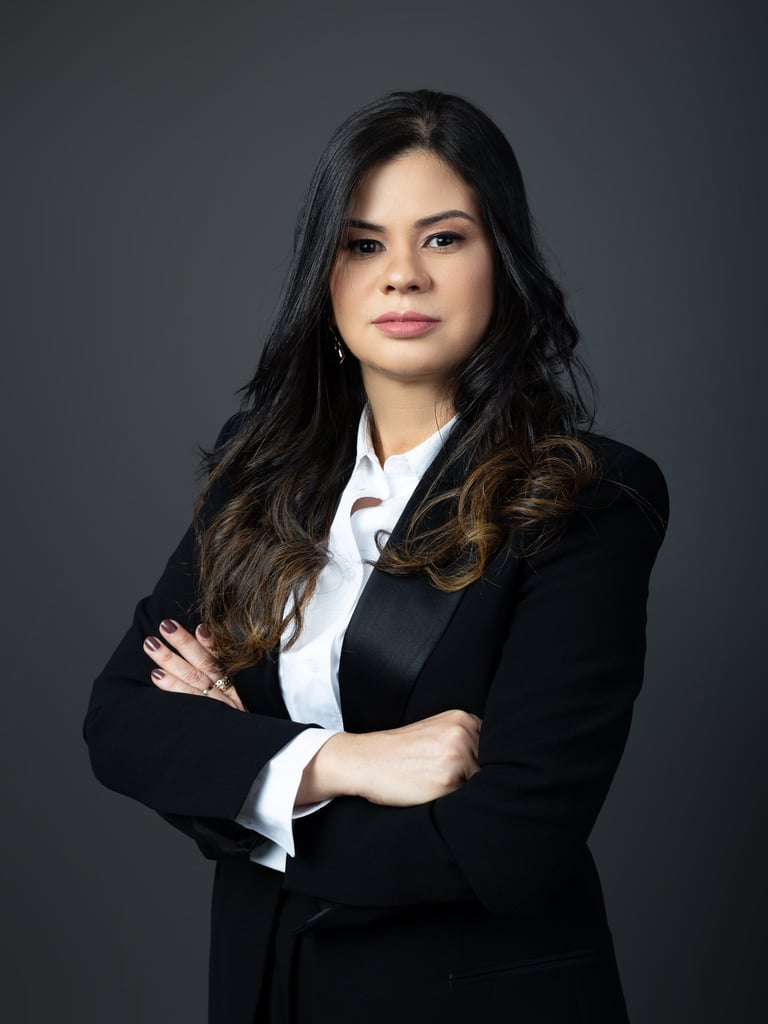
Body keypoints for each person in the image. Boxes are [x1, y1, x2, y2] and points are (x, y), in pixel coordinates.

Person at [84, 89, 668, 1023]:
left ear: (502, 266)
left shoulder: (586, 497)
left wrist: (242, 771)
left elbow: (508, 844)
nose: (401, 276)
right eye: (364, 244)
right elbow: (119, 722)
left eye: (443, 238)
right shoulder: (261, 469)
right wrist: (343, 761)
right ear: (327, 278)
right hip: (264, 989)